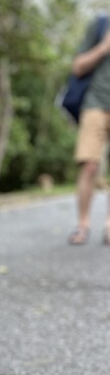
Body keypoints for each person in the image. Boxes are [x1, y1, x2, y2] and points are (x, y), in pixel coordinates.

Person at [68, 16, 110, 245]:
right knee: (90, 165)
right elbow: (77, 67)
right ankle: (82, 224)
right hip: (95, 103)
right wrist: (104, 47)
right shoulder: (101, 24)